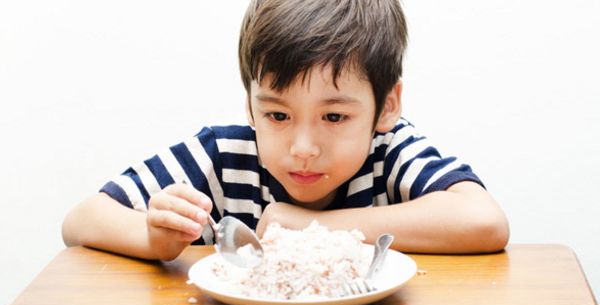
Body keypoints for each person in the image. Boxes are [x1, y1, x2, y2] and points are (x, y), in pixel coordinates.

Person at [62, 0, 509, 261]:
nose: (303, 148)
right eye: (277, 115)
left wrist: (310, 224)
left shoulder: (388, 149)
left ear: (386, 107)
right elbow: (80, 221)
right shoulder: (223, 154)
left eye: (334, 117)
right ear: (251, 107)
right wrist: (153, 239)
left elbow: (484, 221)